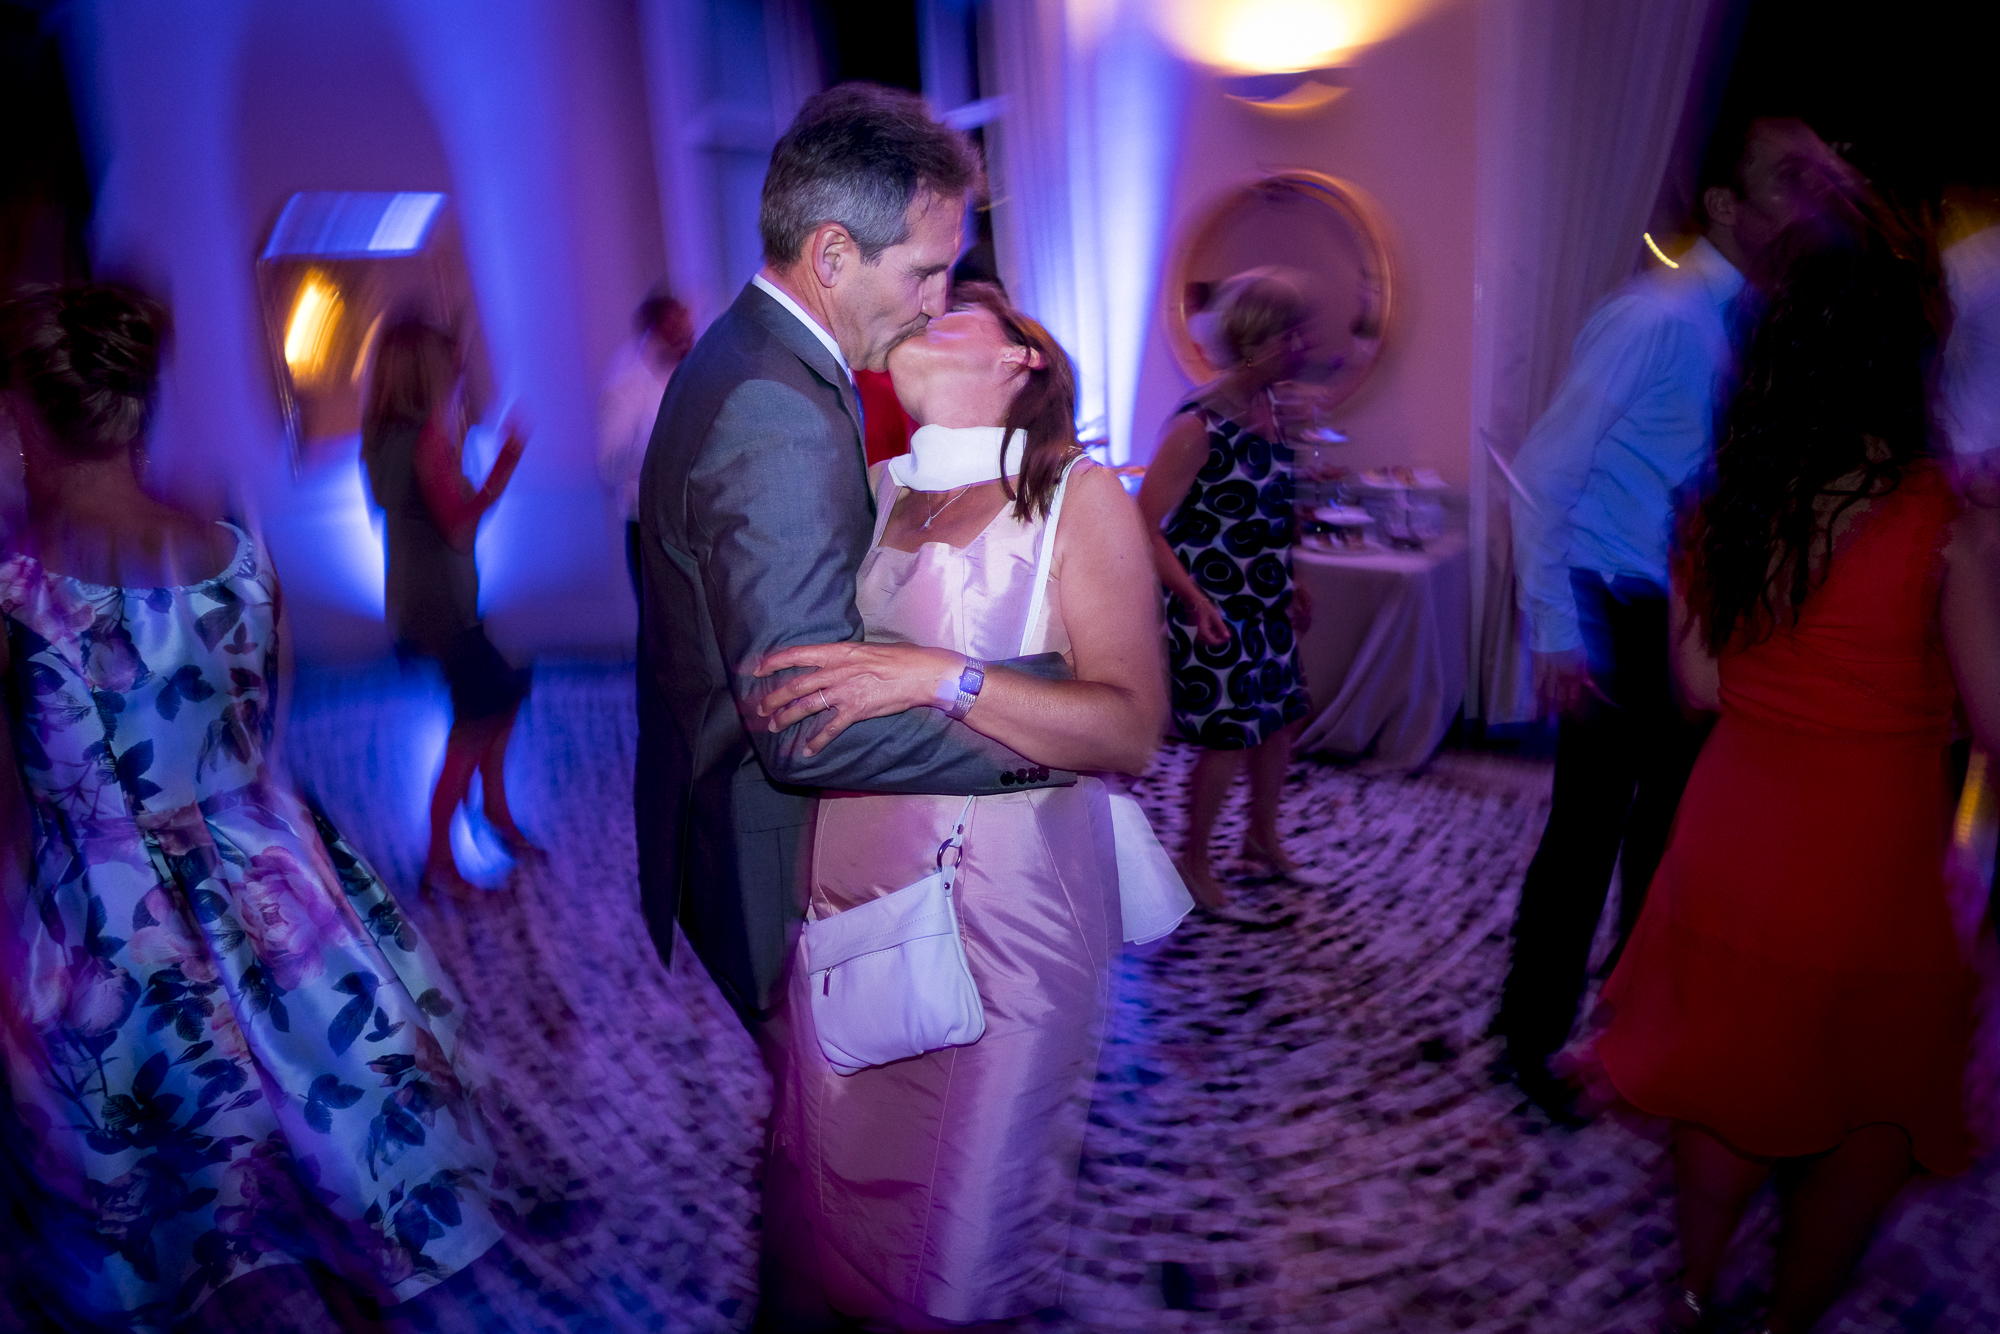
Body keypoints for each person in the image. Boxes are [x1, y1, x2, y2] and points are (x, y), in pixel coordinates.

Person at [631, 83, 1074, 1329]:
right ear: (831, 254)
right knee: (842, 1160)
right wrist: (1039, 731)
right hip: (768, 850)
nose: (937, 301)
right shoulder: (778, 407)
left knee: (815, 1145)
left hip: (730, 820)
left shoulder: (757, 358)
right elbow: (803, 720)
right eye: (925, 270)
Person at [0, 284, 502, 1324]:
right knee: (335, 1184)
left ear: (26, 418)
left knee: (185, 1228)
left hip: (114, 937)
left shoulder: (18, 588)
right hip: (283, 903)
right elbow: (259, 727)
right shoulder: (236, 547)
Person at [1596, 198, 1999, 1334]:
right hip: (1866, 851)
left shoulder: (1722, 501)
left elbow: (1699, 684)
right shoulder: (1944, 520)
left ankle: (1690, 1292)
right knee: (1870, 1110)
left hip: (1730, 834)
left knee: (1723, 1080)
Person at [747, 282, 1164, 1329]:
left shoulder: (1075, 495)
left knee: (961, 1246)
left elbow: (1128, 729)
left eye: (961, 310)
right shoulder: (875, 489)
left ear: (1023, 360)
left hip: (1003, 924)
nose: (928, 309)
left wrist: (942, 675)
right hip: (851, 899)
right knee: (838, 1198)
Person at [1494, 117, 1857, 1119]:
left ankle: (1634, 1032)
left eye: (1818, 179)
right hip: (1623, 607)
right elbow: (1544, 474)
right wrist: (1555, 628)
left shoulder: (1765, 322)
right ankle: (1530, 1040)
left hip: (1701, 612)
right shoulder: (1656, 315)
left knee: (1671, 837)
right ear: (1725, 205)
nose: (1812, 199)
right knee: (1585, 839)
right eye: (1789, 179)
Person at [1136, 267, 1317, 910]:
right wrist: (1193, 600)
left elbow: (1274, 511)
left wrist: (1293, 580)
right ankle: (1194, 861)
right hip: (1209, 605)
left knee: (1279, 720)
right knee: (1228, 736)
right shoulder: (1198, 425)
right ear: (1257, 341)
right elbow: (1143, 525)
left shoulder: (1272, 410)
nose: (1302, 345)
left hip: (1263, 601)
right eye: (1291, 334)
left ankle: (1261, 839)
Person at [361, 317, 532, 900]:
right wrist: (505, 464)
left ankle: (493, 813)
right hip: (442, 604)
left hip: (416, 600)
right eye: (444, 365)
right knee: (478, 713)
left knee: (507, 685)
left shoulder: (383, 437)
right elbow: (459, 526)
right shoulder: (424, 439)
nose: (452, 374)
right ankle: (441, 856)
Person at [598, 288, 694, 596]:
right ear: (655, 332)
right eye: (678, 329)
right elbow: (609, 466)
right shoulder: (628, 383)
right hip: (650, 527)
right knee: (659, 617)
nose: (689, 337)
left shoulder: (694, 370)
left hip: (695, 520)